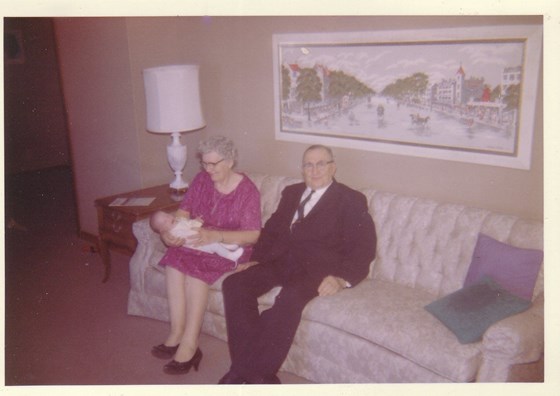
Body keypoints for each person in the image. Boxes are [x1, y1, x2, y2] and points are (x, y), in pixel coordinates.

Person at [218, 144, 377, 384]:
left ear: (333, 167)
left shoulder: (351, 200)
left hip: (317, 269)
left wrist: (341, 278)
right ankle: (252, 373)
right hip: (279, 261)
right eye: (308, 165)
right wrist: (256, 259)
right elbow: (271, 230)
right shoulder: (291, 192)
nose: (314, 170)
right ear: (302, 170)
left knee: (289, 300)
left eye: (320, 164)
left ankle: (247, 372)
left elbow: (364, 248)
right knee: (235, 284)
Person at [151, 136, 261, 376]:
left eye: (214, 164)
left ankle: (190, 344)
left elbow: (253, 235)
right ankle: (176, 332)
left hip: (229, 246)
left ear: (230, 161)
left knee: (194, 270)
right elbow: (183, 211)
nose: (208, 170)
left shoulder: (247, 191)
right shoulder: (202, 180)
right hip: (198, 239)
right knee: (174, 260)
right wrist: (172, 234)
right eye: (205, 164)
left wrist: (215, 236)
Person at [150, 211, 244, 263]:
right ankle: (230, 256)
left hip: (200, 236)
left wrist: (196, 221)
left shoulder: (178, 221)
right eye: (165, 221)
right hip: (197, 245)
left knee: (213, 237)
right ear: (163, 230)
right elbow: (187, 234)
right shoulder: (173, 233)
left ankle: (227, 247)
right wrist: (197, 225)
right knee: (214, 244)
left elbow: (189, 224)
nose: (168, 218)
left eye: (167, 215)